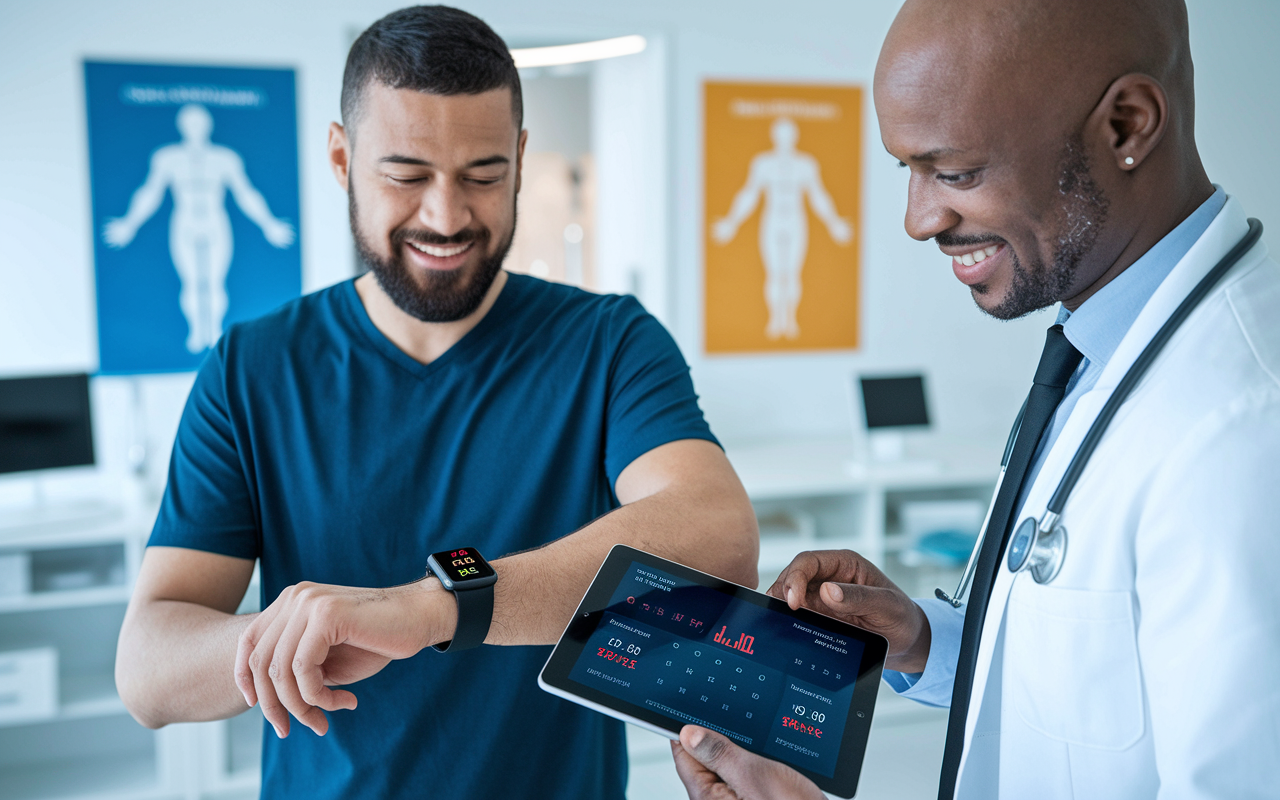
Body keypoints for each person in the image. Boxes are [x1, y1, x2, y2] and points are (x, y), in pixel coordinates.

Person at [114, 7, 759, 800]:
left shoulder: (609, 342)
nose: (447, 216)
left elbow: (719, 536)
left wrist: (431, 610)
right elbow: (148, 668)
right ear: (341, 158)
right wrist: (295, 638)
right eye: (408, 175)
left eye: (483, 175)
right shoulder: (252, 367)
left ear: (521, 161)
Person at [672, 0, 1280, 798]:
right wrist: (925, 640)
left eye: (954, 172)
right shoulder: (1097, 349)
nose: (918, 219)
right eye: (908, 170)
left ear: (1128, 125)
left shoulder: (1244, 430)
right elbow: (1100, 700)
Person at [104, 103, 296, 353]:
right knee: (192, 282)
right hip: (184, 222)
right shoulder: (167, 157)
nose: (196, 128)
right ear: (181, 126)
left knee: (215, 281)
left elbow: (245, 192)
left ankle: (215, 329)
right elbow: (151, 192)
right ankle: (196, 331)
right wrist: (129, 223)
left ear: (209, 125)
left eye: (200, 122)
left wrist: (269, 223)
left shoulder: (225, 158)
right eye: (190, 123)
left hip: (216, 222)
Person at [711, 116, 853, 340]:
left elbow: (818, 195)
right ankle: (776, 319)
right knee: (775, 273)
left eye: (789, 135)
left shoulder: (805, 164)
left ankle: (790, 319)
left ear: (794, 137)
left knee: (792, 273)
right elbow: (749, 194)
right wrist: (731, 222)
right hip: (773, 221)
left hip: (796, 222)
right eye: (781, 135)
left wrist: (834, 223)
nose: (785, 140)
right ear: (775, 136)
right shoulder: (763, 163)